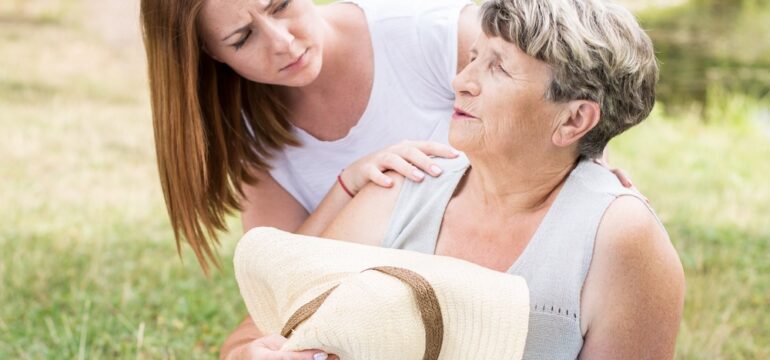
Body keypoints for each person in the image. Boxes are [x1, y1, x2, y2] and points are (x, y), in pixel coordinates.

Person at [139, 0, 635, 358]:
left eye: (282, 5)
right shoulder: (247, 132)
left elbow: (565, 94)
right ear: (209, 56)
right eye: (242, 38)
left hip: (492, 278)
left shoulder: (426, 35)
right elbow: (281, 286)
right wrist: (349, 185)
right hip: (378, 314)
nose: (282, 41)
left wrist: (594, 176)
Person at [317, 0, 685, 358]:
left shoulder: (620, 237)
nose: (460, 81)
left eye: (499, 68)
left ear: (573, 120)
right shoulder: (402, 187)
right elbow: (284, 321)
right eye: (474, 58)